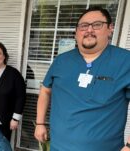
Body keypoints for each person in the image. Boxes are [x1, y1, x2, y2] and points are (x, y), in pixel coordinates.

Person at [34, 6, 130, 151]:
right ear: (76, 33)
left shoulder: (125, 61)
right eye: (84, 26)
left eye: (97, 25)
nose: (89, 30)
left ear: (110, 28)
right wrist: (40, 123)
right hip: (58, 147)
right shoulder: (61, 61)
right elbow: (45, 90)